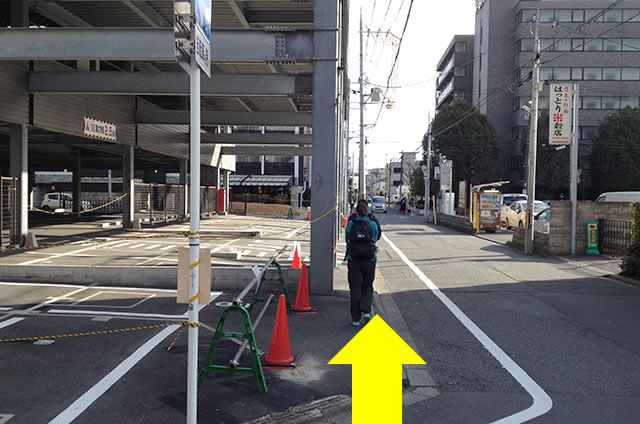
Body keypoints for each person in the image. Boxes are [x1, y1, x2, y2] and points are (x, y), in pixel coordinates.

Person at [345, 201, 378, 327]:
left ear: (356, 212)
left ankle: (355, 319)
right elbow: (375, 237)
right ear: (367, 212)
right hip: (369, 259)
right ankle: (366, 312)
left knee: (355, 288)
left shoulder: (351, 224)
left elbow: (347, 238)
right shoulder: (373, 224)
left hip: (353, 259)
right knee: (368, 285)